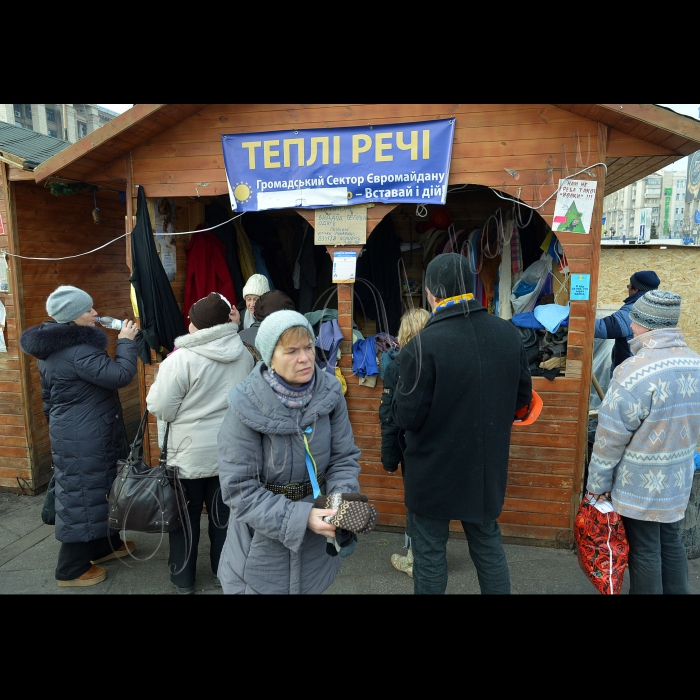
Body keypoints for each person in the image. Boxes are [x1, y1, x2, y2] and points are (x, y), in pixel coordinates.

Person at [393, 253, 532, 595]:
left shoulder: (421, 347)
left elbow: (405, 417)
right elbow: (522, 400)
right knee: (488, 548)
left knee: (429, 555)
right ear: (469, 286)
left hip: (432, 471)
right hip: (484, 470)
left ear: (431, 293)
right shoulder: (508, 335)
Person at [217, 310, 362, 594]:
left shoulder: (330, 394)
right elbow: (239, 490)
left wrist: (339, 505)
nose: (305, 358)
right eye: (292, 351)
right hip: (260, 547)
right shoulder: (244, 405)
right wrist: (300, 518)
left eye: (308, 347)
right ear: (270, 356)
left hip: (315, 544)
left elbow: (343, 459)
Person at [19, 285, 139, 587]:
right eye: (88, 310)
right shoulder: (79, 351)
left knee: (99, 489)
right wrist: (125, 343)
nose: (95, 313)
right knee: (82, 498)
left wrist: (63, 428)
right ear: (72, 317)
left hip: (80, 430)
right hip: (86, 434)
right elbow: (119, 376)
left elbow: (49, 397)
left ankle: (103, 546)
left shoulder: (53, 348)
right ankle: (70, 569)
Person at [587, 290, 700, 594]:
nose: (630, 327)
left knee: (646, 548)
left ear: (646, 324)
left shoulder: (633, 371)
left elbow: (609, 438)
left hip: (640, 481)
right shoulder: (696, 364)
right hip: (679, 475)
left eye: (634, 320)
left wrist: (596, 484)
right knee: (671, 540)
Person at [146, 292, 254, 594]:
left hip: (188, 455)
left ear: (197, 324)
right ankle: (225, 573)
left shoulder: (180, 360)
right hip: (230, 453)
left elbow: (160, 407)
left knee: (184, 520)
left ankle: (183, 578)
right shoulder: (243, 354)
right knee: (223, 520)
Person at [380, 307, 430, 579]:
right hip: (439, 447)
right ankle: (431, 555)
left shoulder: (397, 364)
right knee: (433, 502)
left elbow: (389, 416)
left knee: (415, 503)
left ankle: (415, 559)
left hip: (411, 448)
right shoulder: (441, 359)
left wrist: (388, 458)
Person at [594, 270, 660, 373]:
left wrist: (575, 319)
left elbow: (605, 328)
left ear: (636, 289)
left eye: (629, 286)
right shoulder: (655, 307)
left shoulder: (636, 309)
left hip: (629, 370)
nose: (628, 289)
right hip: (644, 366)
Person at [238, 289, 296, 362]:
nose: (252, 304)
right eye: (248, 299)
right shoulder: (296, 336)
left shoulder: (240, 337)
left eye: (255, 299)